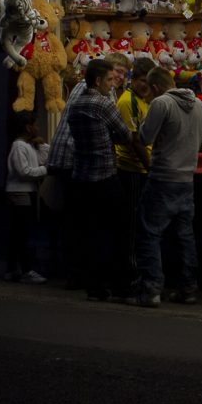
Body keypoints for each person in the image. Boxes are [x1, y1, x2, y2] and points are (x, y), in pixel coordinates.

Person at [129, 67, 202, 308]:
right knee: (184, 236)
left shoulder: (161, 104)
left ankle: (151, 290)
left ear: (155, 87)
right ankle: (188, 288)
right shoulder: (198, 105)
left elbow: (145, 138)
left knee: (150, 233)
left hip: (162, 178)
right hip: (187, 180)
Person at [66, 58, 146, 302]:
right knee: (114, 232)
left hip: (81, 176)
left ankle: (94, 285)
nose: (113, 85)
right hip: (105, 176)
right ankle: (119, 283)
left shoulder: (76, 105)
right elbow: (124, 135)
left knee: (89, 232)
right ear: (98, 81)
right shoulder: (103, 104)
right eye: (110, 80)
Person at [48, 52, 129, 286]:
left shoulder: (85, 90)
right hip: (76, 160)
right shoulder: (102, 94)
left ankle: (76, 272)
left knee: (77, 221)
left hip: (71, 159)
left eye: (123, 74)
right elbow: (118, 131)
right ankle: (87, 274)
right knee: (88, 223)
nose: (119, 78)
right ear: (102, 74)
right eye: (116, 73)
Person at [115, 56, 157, 286]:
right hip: (131, 169)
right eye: (142, 81)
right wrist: (149, 167)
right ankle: (128, 273)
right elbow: (134, 140)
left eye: (148, 82)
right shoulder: (127, 101)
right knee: (130, 224)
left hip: (141, 169)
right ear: (133, 79)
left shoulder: (144, 100)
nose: (145, 86)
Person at [4, 110, 49, 285]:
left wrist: (41, 144)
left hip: (25, 192)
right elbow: (24, 171)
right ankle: (25, 270)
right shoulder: (18, 147)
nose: (38, 128)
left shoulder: (28, 146)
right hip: (19, 193)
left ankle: (12, 269)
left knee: (18, 233)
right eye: (36, 125)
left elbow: (43, 156)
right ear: (28, 127)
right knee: (22, 233)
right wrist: (46, 170)